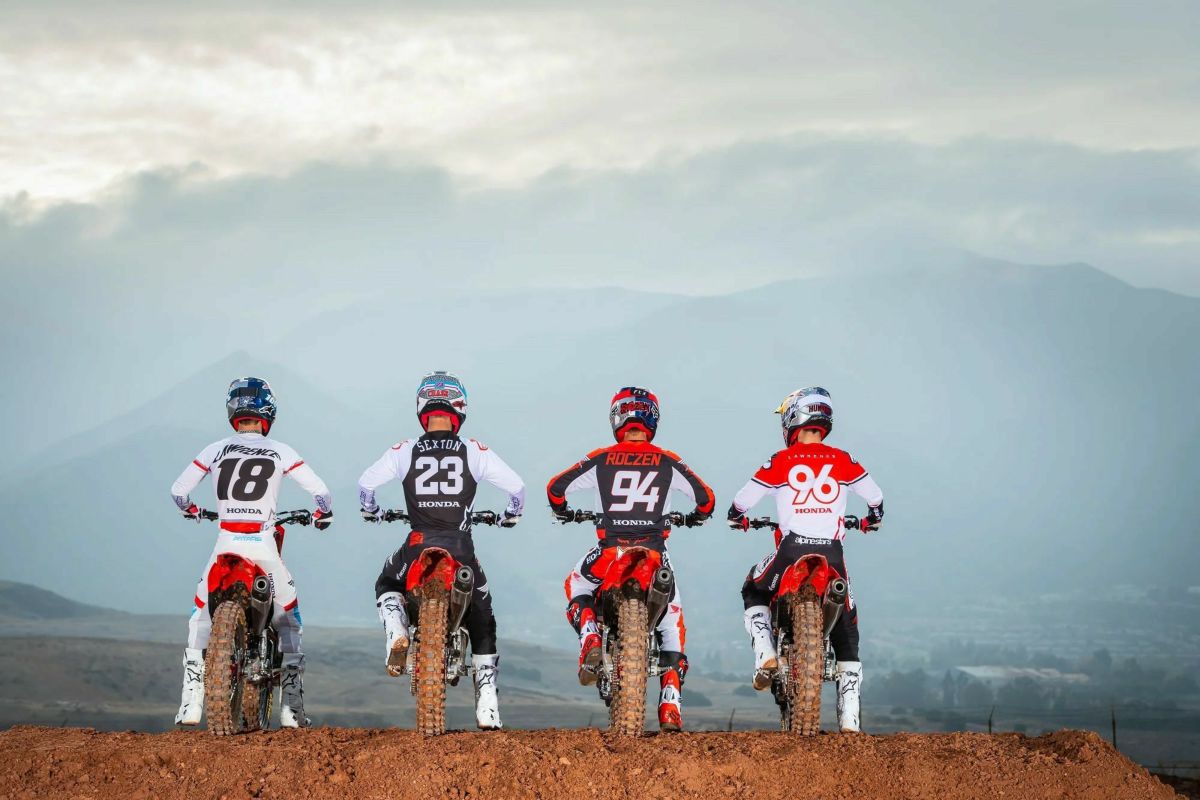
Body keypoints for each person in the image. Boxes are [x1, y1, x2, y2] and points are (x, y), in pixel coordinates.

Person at [359, 371, 524, 730]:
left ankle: (396, 630)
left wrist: (371, 510)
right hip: (459, 546)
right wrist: (510, 515)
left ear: (422, 408)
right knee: (482, 612)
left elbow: (366, 484)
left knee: (387, 581)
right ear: (459, 408)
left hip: (417, 543)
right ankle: (488, 701)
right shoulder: (474, 451)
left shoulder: (403, 450)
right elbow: (517, 488)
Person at [547, 386, 715, 732]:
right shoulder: (668, 460)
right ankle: (670, 702)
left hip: (609, 553)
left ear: (617, 418)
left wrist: (563, 511)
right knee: (672, 621)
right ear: (653, 420)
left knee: (576, 584)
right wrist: (696, 517)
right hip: (655, 554)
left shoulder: (601, 458)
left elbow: (555, 488)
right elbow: (707, 499)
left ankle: (590, 634)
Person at [170, 377, 333, 728]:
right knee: (289, 617)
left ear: (232, 411)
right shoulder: (281, 451)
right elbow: (321, 492)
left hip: (226, 542)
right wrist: (322, 513)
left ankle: (191, 701)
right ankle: (291, 707)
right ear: (268, 412)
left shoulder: (214, 450)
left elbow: (178, 492)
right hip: (262, 544)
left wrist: (192, 510)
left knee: (200, 614)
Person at [727, 386, 883, 733]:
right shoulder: (844, 459)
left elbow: (742, 501)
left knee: (753, 588)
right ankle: (850, 719)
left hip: (791, 550)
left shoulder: (780, 461)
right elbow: (875, 497)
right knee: (847, 622)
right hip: (832, 553)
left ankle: (765, 653)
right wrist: (872, 518)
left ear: (791, 419)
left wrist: (736, 516)